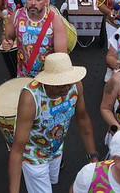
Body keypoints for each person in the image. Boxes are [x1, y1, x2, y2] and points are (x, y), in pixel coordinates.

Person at [9, 53, 98, 193]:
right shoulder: (30, 99)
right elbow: (17, 149)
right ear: (47, 81)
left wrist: (93, 159)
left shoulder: (74, 86)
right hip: (34, 155)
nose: (66, 89)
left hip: (56, 148)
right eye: (60, 85)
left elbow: (82, 118)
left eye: (68, 83)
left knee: (52, 181)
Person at [2, 0, 67, 78]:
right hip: (23, 75)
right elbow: (7, 36)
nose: (33, 3)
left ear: (46, 1)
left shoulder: (55, 21)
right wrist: (6, 42)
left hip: (47, 77)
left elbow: (61, 57)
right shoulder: (16, 16)